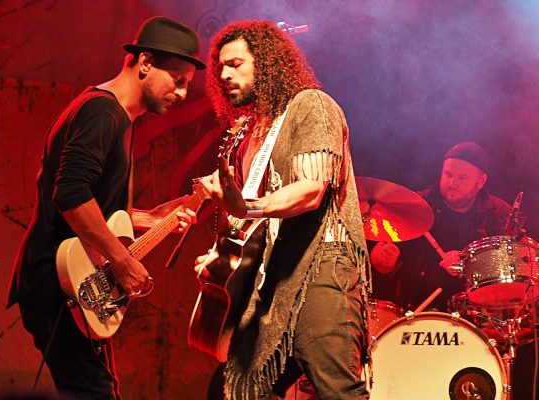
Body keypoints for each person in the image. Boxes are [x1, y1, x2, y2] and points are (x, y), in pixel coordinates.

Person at [7, 16, 205, 399]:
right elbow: (70, 196)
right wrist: (123, 261)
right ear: (145, 63)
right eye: (177, 80)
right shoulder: (103, 113)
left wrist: (154, 218)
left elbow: (97, 206)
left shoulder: (115, 116)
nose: (181, 94)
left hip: (76, 283)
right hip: (60, 283)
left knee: (97, 390)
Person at [197, 20, 371, 399]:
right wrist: (221, 257)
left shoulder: (310, 105)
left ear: (267, 62)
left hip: (322, 270)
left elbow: (310, 191)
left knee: (338, 391)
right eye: (220, 67)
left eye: (236, 64)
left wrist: (247, 206)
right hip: (272, 279)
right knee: (234, 389)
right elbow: (250, 223)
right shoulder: (249, 133)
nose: (224, 75)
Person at [370, 141, 512, 312]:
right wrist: (382, 264)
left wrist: (468, 263)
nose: (452, 183)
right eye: (448, 174)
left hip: (476, 315)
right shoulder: (414, 205)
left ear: (480, 181)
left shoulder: (499, 214)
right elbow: (385, 268)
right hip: (414, 310)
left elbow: (508, 269)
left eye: (462, 178)